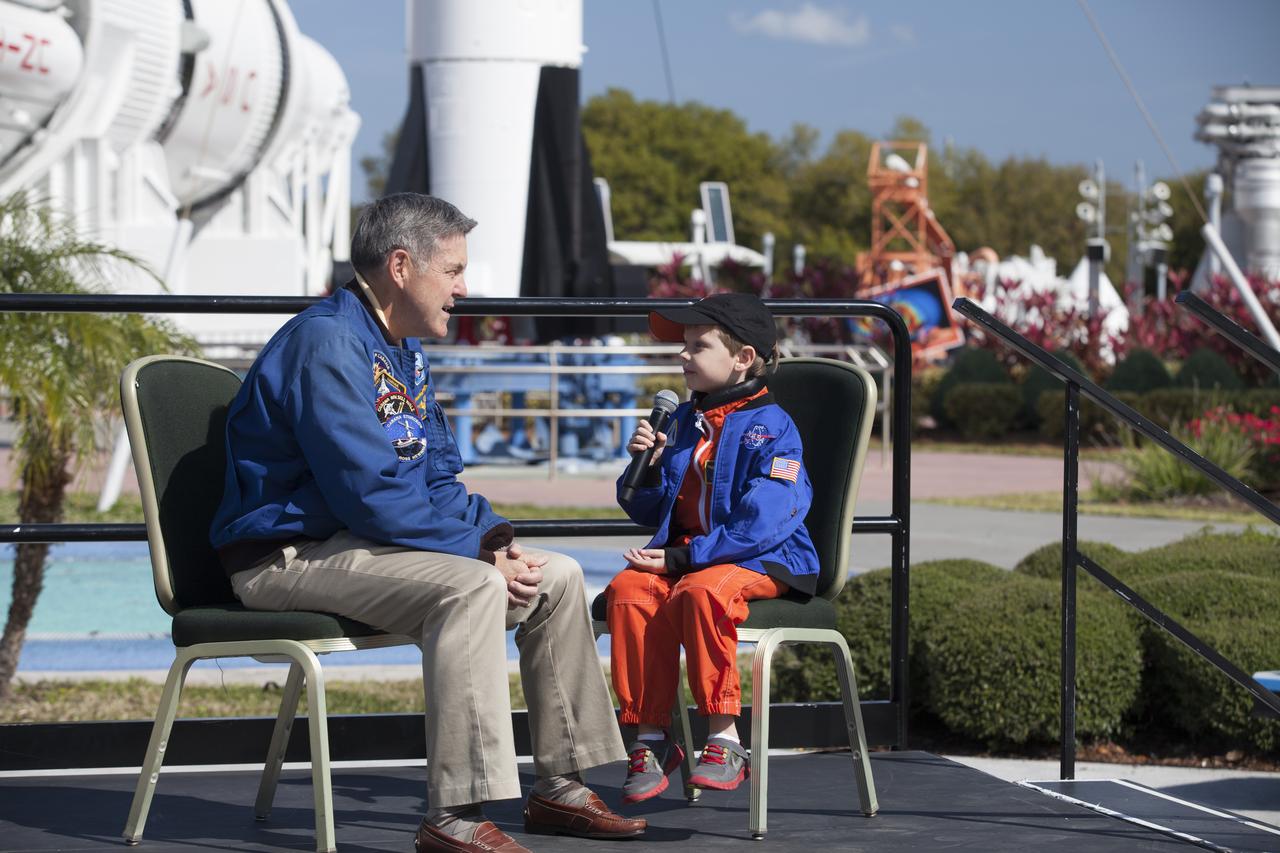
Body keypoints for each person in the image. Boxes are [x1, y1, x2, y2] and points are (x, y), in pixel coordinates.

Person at [210, 193, 638, 853]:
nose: (464, 289)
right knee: (472, 587)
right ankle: (455, 816)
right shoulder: (326, 342)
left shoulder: (403, 348)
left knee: (556, 576)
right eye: (454, 271)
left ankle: (561, 785)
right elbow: (370, 493)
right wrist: (477, 558)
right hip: (289, 555)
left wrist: (497, 541)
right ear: (402, 266)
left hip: (363, 542)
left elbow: (437, 477)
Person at [605, 292, 820, 804]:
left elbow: (764, 520)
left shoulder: (774, 429)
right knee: (630, 589)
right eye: (683, 345)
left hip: (762, 558)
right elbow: (646, 511)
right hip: (691, 555)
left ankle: (724, 737)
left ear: (743, 358)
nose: (683, 357)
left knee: (702, 592)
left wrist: (683, 558)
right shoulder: (681, 422)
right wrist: (649, 467)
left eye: (698, 346)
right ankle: (651, 738)